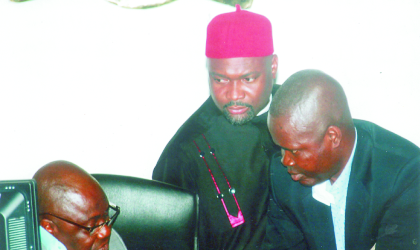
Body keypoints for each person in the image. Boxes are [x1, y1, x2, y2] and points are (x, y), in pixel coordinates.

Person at [152, 4, 279, 249]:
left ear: (273, 66)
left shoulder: (301, 114)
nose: (233, 95)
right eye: (220, 79)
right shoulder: (185, 151)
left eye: (248, 79)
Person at [263, 69, 420, 250]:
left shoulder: (404, 174)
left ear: (333, 137)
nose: (285, 161)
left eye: (295, 151)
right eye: (281, 148)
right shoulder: (283, 177)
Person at [34, 160, 127, 250]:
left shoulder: (113, 242)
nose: (106, 232)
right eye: (93, 226)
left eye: (106, 217)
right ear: (48, 229)